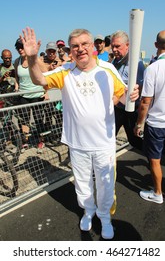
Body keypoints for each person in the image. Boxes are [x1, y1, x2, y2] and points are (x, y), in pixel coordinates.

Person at [20, 27, 139, 240]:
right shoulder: (65, 70)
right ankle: (88, 211)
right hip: (77, 143)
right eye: (75, 46)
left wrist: (133, 95)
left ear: (92, 46)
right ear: (71, 50)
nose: (80, 49)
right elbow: (39, 80)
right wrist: (31, 57)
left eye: (85, 44)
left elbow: (123, 97)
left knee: (105, 185)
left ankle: (104, 217)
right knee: (83, 184)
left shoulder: (107, 69)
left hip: (104, 142)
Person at [134, 30, 165, 204]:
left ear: (156, 45)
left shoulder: (153, 68)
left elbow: (145, 101)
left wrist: (139, 124)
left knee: (155, 159)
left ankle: (158, 194)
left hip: (157, 123)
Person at [111, 30, 145, 150]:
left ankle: (153, 160)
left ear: (127, 45)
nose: (114, 49)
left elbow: (142, 88)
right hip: (117, 108)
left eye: (117, 46)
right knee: (108, 137)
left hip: (132, 109)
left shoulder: (137, 64)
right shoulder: (114, 62)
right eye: (112, 46)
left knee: (135, 141)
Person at [14, 38, 48, 153]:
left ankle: (40, 141)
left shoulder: (35, 60)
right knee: (24, 120)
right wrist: (17, 87)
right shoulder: (17, 61)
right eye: (18, 47)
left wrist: (46, 92)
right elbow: (17, 78)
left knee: (38, 118)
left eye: (22, 46)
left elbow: (45, 73)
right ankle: (26, 141)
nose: (20, 49)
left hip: (37, 93)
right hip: (24, 94)